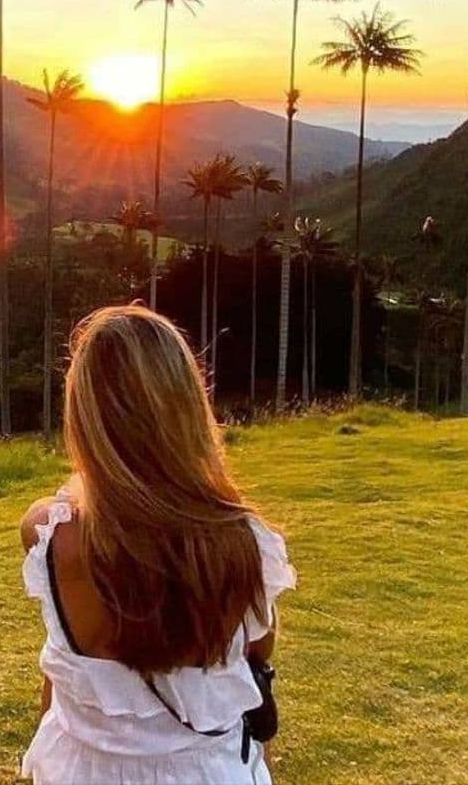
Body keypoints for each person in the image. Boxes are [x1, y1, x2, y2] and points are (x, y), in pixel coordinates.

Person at [19, 304, 296, 784]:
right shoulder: (245, 543)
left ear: (84, 416)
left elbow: (60, 673)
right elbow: (257, 655)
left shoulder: (48, 533)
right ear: (187, 407)